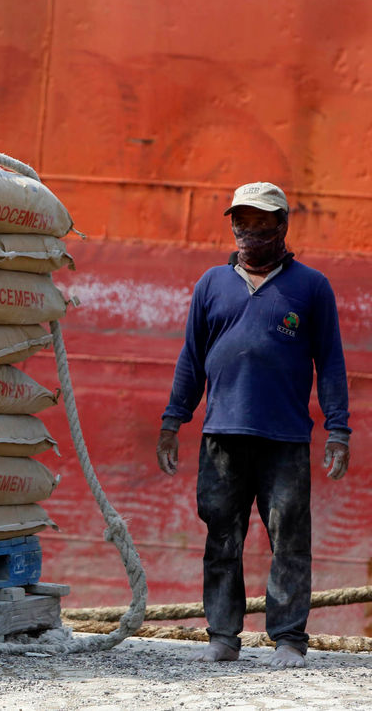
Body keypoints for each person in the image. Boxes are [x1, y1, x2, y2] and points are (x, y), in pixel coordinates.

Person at [155, 181, 351, 669]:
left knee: (288, 538)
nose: (248, 231)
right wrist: (173, 418)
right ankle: (223, 635)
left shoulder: (311, 287)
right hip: (221, 435)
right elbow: (191, 358)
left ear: (282, 225)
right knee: (221, 535)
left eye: (260, 222)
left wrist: (339, 430)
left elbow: (330, 362)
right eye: (240, 221)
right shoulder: (210, 285)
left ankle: (288, 638)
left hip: (284, 439)